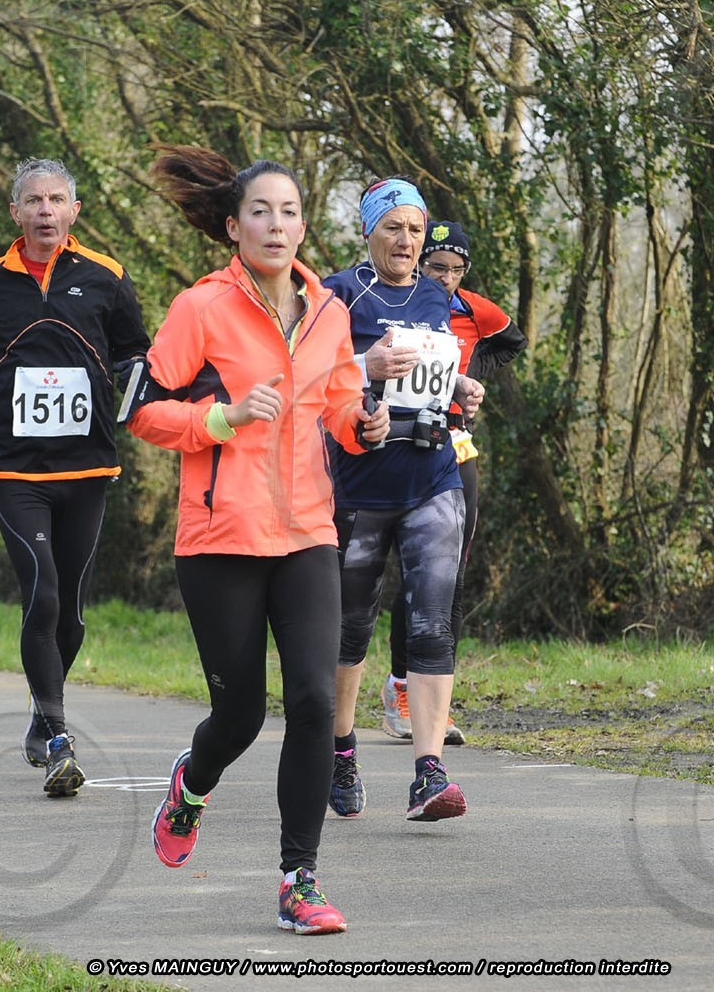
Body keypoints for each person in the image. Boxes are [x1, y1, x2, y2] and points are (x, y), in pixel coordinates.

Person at [132, 146, 389, 935]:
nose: (276, 225)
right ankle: (192, 783)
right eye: (260, 212)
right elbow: (142, 412)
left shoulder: (330, 313)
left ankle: (298, 879)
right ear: (233, 227)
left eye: (288, 212)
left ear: (304, 226)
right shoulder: (200, 309)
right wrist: (222, 417)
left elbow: (338, 407)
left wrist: (366, 423)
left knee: (314, 700)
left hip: (307, 530)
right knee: (239, 715)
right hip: (221, 536)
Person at [0, 157, 151, 796]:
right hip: (13, 467)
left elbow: (136, 354)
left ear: (73, 211)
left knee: (72, 613)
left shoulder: (106, 275)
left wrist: (143, 398)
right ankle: (60, 737)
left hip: (87, 464)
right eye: (33, 200)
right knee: (43, 592)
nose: (45, 210)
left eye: (56, 199)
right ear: (16, 212)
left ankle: (42, 708)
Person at [322, 178, 484, 822]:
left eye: (415, 229)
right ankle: (340, 751)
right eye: (393, 227)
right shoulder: (337, 294)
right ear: (368, 231)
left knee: (432, 622)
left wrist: (460, 388)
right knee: (350, 628)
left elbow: (434, 371)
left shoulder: (436, 295)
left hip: (434, 473)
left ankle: (429, 772)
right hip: (359, 484)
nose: (406, 240)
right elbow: (308, 375)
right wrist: (365, 367)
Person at [381, 220, 527, 743]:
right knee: (391, 575)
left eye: (455, 269)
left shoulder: (470, 308)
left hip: (453, 446)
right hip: (388, 445)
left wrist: (472, 373)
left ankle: (430, 703)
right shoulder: (390, 300)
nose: (444, 277)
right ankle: (394, 686)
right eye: (436, 267)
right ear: (419, 262)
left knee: (449, 577)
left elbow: (511, 340)